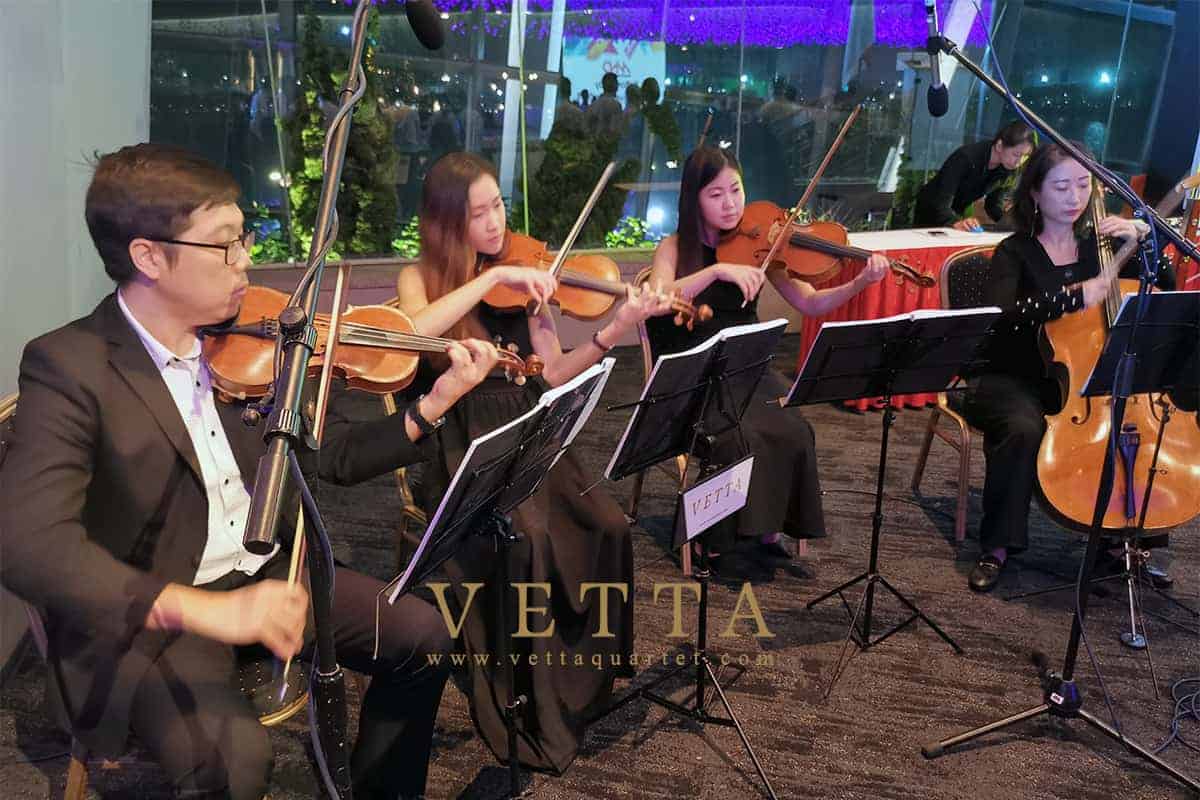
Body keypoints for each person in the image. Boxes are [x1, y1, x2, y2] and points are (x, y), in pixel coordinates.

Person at [0, 143, 505, 800]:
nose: (247, 263)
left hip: (269, 567)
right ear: (149, 256)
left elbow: (334, 459)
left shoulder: (243, 341)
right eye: (225, 247)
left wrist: (433, 406)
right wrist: (214, 613)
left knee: (425, 638)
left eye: (244, 240)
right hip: (160, 611)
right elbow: (27, 544)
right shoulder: (69, 366)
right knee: (233, 763)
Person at [394, 151, 675, 774]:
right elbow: (414, 332)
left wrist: (615, 328)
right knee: (532, 539)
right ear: (446, 222)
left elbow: (552, 373)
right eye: (478, 213)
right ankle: (533, 697)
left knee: (608, 525)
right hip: (465, 436)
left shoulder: (525, 274)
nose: (496, 222)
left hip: (531, 427)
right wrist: (488, 282)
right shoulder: (424, 278)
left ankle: (586, 680)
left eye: (498, 204)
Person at [645, 145, 888, 564]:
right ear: (693, 199)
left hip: (746, 366)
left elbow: (810, 302)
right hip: (692, 371)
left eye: (736, 190)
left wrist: (859, 283)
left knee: (795, 430)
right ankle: (711, 536)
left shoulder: (758, 247)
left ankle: (766, 527)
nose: (730, 203)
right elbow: (659, 298)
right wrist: (717, 271)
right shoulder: (673, 247)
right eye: (715, 194)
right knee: (737, 438)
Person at [961, 141, 1148, 592]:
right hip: (1010, 373)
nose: (1075, 196)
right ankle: (998, 547)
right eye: (1061, 186)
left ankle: (1122, 541)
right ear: (1035, 195)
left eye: (1083, 185)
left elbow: (1154, 287)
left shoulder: (1099, 247)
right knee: (1023, 427)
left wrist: (1141, 243)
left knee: (1130, 422)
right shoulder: (1015, 251)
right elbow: (1002, 314)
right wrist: (1071, 296)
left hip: (1079, 376)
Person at [914, 120, 1035, 231]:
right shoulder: (966, 157)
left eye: (1025, 156)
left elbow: (993, 205)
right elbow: (940, 202)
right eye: (1016, 154)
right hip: (930, 211)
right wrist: (954, 222)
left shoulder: (1010, 168)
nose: (1019, 162)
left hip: (954, 213)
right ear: (999, 146)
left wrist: (1011, 223)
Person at [585, 71, 624, 139]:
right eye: (617, 83)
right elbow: (615, 130)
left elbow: (586, 128)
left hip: (593, 145)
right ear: (615, 86)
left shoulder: (593, 105)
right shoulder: (616, 105)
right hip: (608, 146)